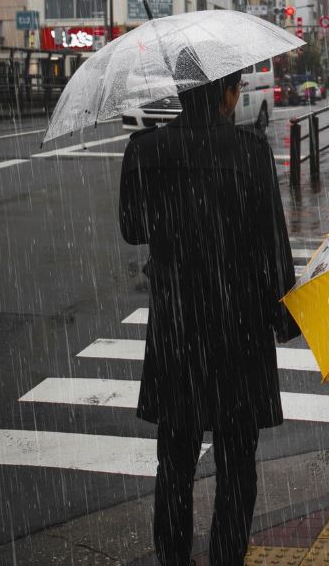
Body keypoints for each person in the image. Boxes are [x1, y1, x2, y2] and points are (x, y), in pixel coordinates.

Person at [119, 50, 299, 566]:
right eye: (238, 87)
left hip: (178, 328)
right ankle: (226, 555)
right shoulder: (250, 152)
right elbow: (272, 245)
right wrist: (280, 314)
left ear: (178, 91)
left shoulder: (146, 150)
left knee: (174, 460)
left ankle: (173, 557)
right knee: (237, 461)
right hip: (238, 326)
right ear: (224, 92)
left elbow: (134, 229)